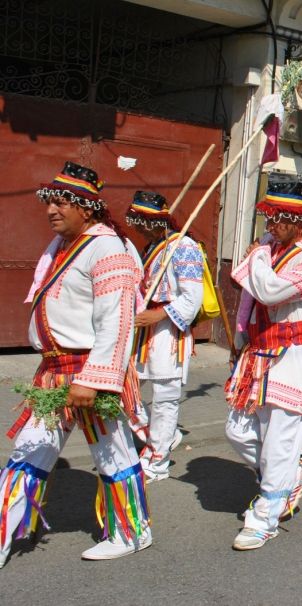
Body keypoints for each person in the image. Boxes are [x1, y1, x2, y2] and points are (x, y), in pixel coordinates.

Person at [1, 162, 149, 567]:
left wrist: (96, 380)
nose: (52, 209)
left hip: (89, 374)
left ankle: (132, 532)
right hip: (54, 373)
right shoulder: (62, 246)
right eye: (50, 201)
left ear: (87, 207)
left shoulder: (106, 248)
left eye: (63, 202)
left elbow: (117, 321)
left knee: (114, 456)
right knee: (29, 451)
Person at [225, 181, 302, 550]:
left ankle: (265, 515)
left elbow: (269, 290)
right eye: (270, 216)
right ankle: (291, 475)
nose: (272, 225)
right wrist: (240, 337)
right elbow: (251, 296)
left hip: (292, 355)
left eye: (280, 218)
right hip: (258, 350)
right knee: (237, 431)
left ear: (299, 219)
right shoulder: (270, 248)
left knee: (280, 440)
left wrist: (255, 256)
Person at [125, 191, 204, 483]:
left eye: (145, 220)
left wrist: (157, 316)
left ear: (160, 220)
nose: (140, 226)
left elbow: (192, 297)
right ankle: (160, 437)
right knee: (126, 391)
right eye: (137, 220)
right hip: (143, 330)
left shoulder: (184, 247)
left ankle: (158, 461)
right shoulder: (154, 246)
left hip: (167, 330)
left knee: (165, 398)